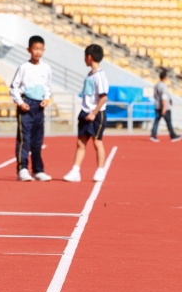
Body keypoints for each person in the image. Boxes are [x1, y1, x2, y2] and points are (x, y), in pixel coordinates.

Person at [10, 35, 53, 182]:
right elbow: (14, 87)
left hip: (39, 106)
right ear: (29, 50)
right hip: (26, 105)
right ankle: (22, 168)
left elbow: (47, 86)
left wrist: (46, 98)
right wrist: (20, 102)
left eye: (40, 49)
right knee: (25, 139)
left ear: (44, 50)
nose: (38, 52)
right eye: (35, 49)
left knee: (38, 140)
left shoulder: (46, 68)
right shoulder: (24, 67)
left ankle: (38, 169)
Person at [64, 44, 109, 183]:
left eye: (85, 56)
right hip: (85, 112)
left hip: (97, 114)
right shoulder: (90, 75)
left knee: (97, 142)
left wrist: (94, 113)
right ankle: (75, 171)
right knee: (80, 143)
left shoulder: (100, 76)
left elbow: (103, 97)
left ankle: (100, 170)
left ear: (89, 57)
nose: (84, 59)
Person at [150, 69, 181, 142]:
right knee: (168, 122)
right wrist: (164, 107)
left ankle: (153, 135)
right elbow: (164, 97)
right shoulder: (163, 86)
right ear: (165, 77)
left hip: (157, 106)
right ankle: (173, 136)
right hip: (164, 107)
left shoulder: (156, 85)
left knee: (157, 121)